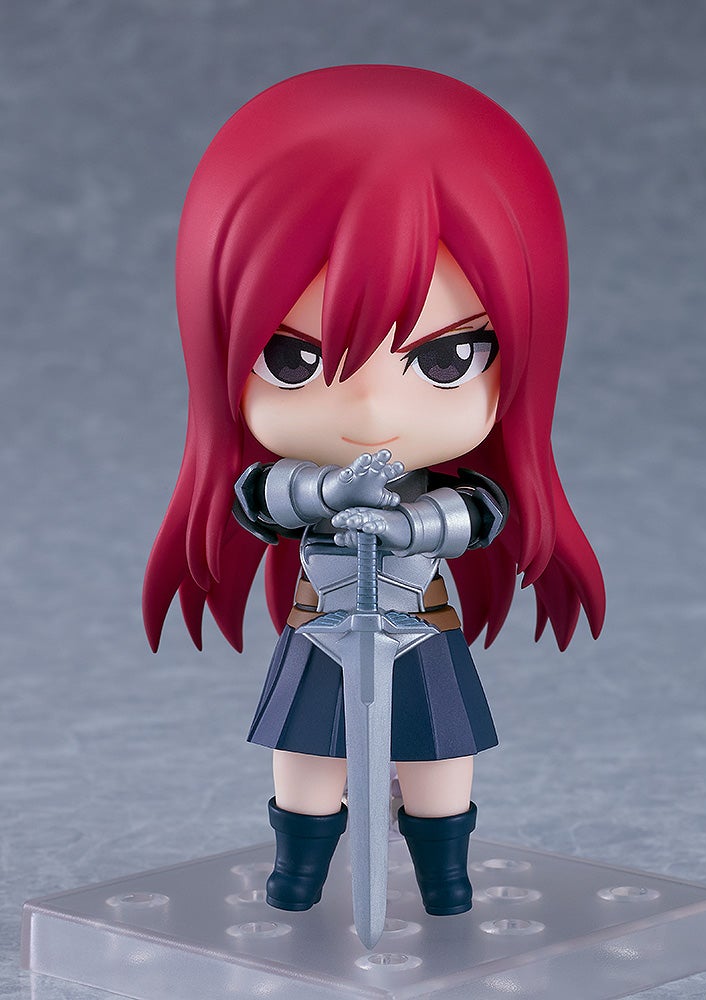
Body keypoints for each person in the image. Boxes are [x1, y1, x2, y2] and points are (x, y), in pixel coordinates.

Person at [143, 65, 605, 918]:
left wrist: (411, 525)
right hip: (321, 627)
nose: (371, 410)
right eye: (293, 357)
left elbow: (480, 512)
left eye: (446, 357)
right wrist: (329, 489)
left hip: (421, 627)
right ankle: (295, 878)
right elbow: (258, 497)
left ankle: (445, 881)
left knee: (441, 761)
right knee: (305, 760)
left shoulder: (447, 493)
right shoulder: (295, 482)